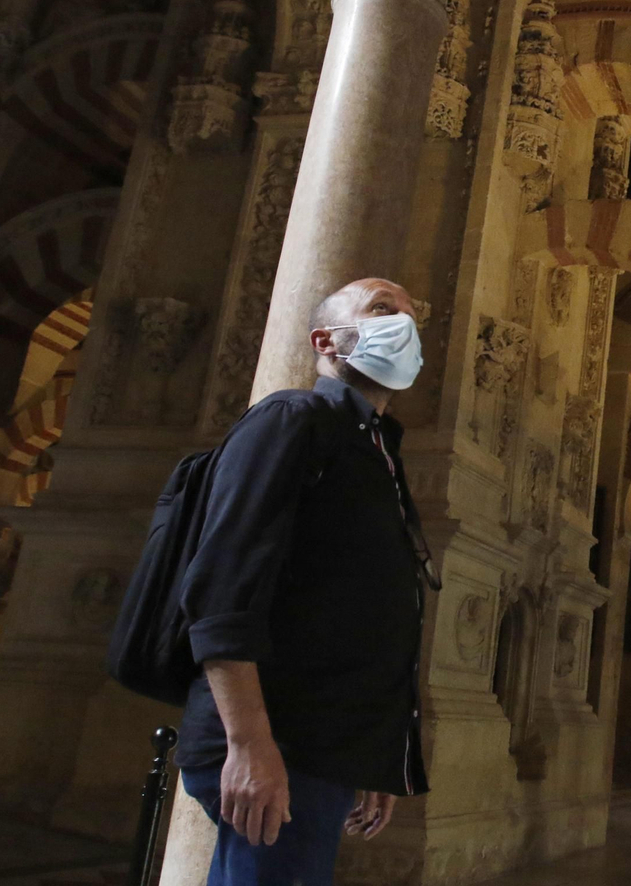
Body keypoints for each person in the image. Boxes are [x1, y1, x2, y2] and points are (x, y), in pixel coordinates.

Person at [174, 277, 437, 886]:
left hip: (322, 746)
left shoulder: (374, 449)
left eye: (411, 316)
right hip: (279, 742)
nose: (404, 325)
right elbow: (221, 593)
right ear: (327, 339)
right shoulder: (293, 419)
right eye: (380, 309)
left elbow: (356, 610)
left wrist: (373, 756)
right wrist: (249, 744)